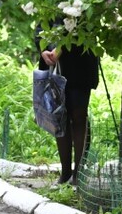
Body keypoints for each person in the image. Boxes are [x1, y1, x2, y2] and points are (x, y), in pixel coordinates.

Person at [36, 20, 99, 186]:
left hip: (80, 63)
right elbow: (40, 27)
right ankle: (65, 173)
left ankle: (78, 175)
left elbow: (88, 27)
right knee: (59, 116)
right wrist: (45, 50)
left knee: (78, 115)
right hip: (54, 65)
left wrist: (60, 49)